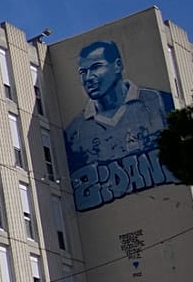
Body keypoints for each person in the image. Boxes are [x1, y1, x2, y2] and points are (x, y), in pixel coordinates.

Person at [63, 39, 178, 211]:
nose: (88, 78)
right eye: (83, 72)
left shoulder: (160, 103)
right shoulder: (74, 132)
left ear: (117, 65)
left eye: (96, 67)